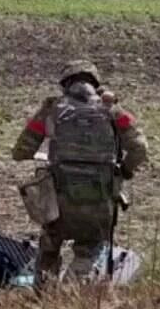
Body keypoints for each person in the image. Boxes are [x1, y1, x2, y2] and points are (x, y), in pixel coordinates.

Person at [12, 60, 148, 288]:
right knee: (89, 248)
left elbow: (22, 150)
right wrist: (124, 169)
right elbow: (140, 148)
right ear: (95, 83)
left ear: (65, 84)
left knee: (49, 247)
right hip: (100, 197)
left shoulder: (52, 109)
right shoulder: (114, 111)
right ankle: (73, 294)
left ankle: (43, 295)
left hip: (59, 198)